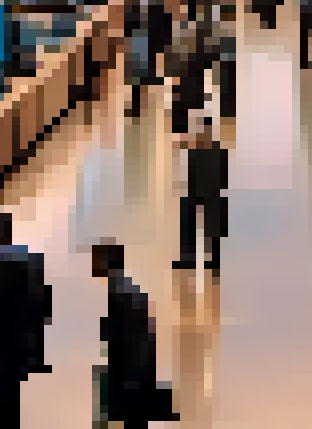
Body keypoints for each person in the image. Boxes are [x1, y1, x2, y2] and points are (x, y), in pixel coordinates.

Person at [0, 211, 53, 429]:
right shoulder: (31, 259)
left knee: (3, 400)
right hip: (22, 343)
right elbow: (43, 305)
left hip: (0, 346)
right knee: (11, 396)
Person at [93, 240, 176, 427]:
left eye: (96, 259)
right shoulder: (125, 289)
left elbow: (127, 339)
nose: (93, 264)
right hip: (134, 374)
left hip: (130, 377)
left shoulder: (119, 293)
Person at [176, 122, 228, 272]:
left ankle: (214, 262)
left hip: (213, 193)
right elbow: (188, 175)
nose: (203, 135)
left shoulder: (219, 150)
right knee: (187, 222)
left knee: (215, 226)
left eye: (206, 132)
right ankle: (187, 259)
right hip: (194, 193)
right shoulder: (193, 151)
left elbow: (223, 178)